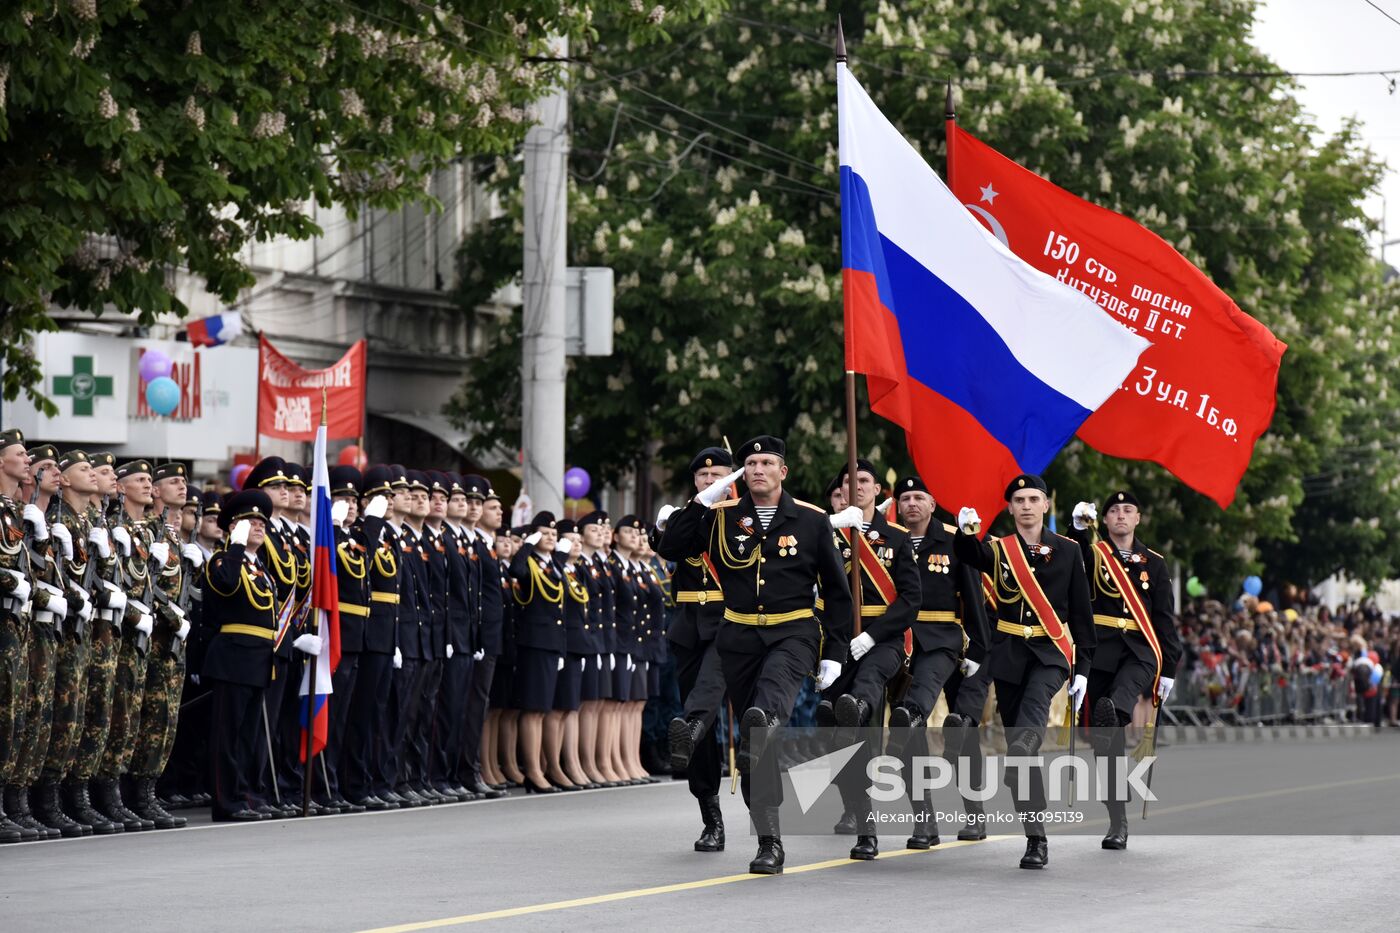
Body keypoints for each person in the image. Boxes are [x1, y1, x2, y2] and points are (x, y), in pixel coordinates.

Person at [658, 434, 852, 875]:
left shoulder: (810, 519)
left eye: (767, 462)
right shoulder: (722, 518)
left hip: (793, 634)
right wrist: (700, 503)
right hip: (739, 635)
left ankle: (769, 843)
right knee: (754, 744)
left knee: (762, 717)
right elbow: (672, 548)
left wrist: (835, 651)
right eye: (750, 464)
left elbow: (838, 594)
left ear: (783, 471)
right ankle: (770, 837)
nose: (758, 469)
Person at [953, 473, 1094, 869]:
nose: (1027, 505)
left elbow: (1082, 613)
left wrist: (1082, 668)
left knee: (1032, 713)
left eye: (1034, 498)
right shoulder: (1000, 549)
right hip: (1010, 652)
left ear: (1046, 505)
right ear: (1011, 508)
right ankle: (1036, 839)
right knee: (1021, 761)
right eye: (1019, 500)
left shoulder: (1067, 550)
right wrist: (966, 532)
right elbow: (970, 555)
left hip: (1051, 651)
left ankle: (1024, 744)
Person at [1067, 491, 1182, 850]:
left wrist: (1170, 669)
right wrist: (1078, 530)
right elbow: (1076, 561)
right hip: (1101, 647)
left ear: (1138, 519)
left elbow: (1164, 619)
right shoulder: (1095, 554)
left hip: (1140, 649)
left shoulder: (1155, 563)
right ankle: (1117, 818)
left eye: (1127, 510)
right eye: (1113, 511)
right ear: (1104, 520)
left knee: (1112, 708)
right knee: (1106, 741)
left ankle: (1113, 710)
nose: (1120, 515)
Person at [819, 458, 920, 861]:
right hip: (838, 640)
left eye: (864, 480)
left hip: (883, 640)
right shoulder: (828, 533)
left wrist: (872, 635)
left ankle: (858, 704)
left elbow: (911, 600)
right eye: (849, 481)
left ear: (878, 489)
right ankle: (864, 825)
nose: (856, 487)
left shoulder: (895, 538)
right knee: (843, 740)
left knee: (866, 692)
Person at [888, 474, 991, 847]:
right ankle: (924, 821)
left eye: (920, 497)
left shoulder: (952, 539)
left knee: (959, 729)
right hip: (902, 642)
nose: (912, 504)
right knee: (908, 727)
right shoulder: (889, 540)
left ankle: (974, 813)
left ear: (933, 504)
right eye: (906, 498)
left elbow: (974, 595)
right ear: (897, 505)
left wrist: (980, 650)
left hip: (948, 641)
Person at [658, 447, 735, 852]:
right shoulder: (685, 515)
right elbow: (669, 548)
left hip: (730, 622)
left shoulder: (744, 516)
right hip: (689, 625)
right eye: (704, 477)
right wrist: (693, 510)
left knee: (700, 706)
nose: (711, 482)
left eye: (718, 475)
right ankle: (711, 817)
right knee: (700, 728)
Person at [203, 489, 281, 821]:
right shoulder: (223, 561)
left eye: (263, 521)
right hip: (234, 658)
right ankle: (225, 801)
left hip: (259, 659)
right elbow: (226, 585)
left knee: (248, 735)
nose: (260, 526)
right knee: (228, 735)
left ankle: (245, 794)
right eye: (251, 521)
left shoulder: (261, 569)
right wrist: (234, 547)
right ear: (234, 527)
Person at [128, 461, 196, 830]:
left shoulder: (169, 534)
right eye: (173, 482)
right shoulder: (148, 532)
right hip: (152, 638)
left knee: (165, 719)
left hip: (173, 640)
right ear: (156, 491)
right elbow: (144, 589)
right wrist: (172, 618)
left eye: (184, 481)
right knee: (145, 718)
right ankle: (133, 794)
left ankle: (147, 791)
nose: (182, 487)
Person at [344, 466, 399, 810]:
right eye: (381, 496)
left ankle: (368, 780)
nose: (388, 502)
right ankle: (353, 782)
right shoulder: (364, 534)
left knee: (375, 712)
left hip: (381, 631)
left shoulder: (383, 535)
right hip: (364, 630)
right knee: (358, 713)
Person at [509, 511, 568, 793]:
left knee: (544, 709)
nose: (551, 538)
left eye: (553, 535)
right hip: (534, 642)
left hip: (552, 642)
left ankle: (543, 766)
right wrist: (527, 546)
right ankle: (532, 770)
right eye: (544, 533)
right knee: (533, 710)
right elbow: (516, 572)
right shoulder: (530, 562)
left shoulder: (554, 564)